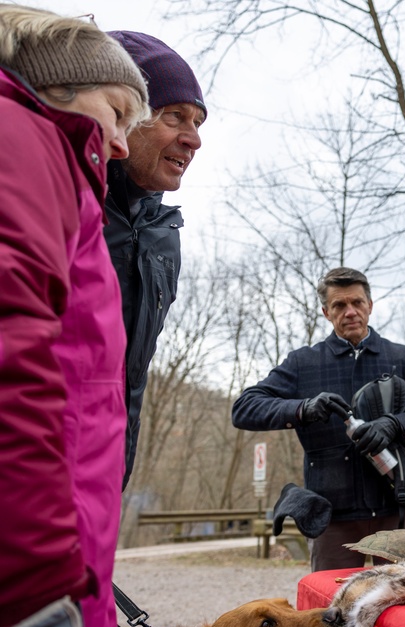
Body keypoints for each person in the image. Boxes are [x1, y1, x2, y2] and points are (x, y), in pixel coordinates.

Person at [0, 5, 149, 627]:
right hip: (28, 576)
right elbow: (10, 344)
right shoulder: (26, 137)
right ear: (59, 84)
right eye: (119, 114)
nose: (121, 144)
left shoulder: (55, 165)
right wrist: (32, 583)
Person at [232, 267, 405, 571]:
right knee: (331, 610)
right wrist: (303, 409)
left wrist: (396, 425)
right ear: (326, 312)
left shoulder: (404, 358)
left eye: (357, 303)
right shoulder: (303, 363)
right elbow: (244, 408)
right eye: (339, 305)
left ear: (370, 306)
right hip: (331, 515)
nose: (350, 312)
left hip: (399, 508)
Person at [103, 31, 207, 490]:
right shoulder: (61, 196)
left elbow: (132, 376)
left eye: (199, 123)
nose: (194, 140)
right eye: (175, 117)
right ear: (123, 115)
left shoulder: (164, 234)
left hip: (107, 469)